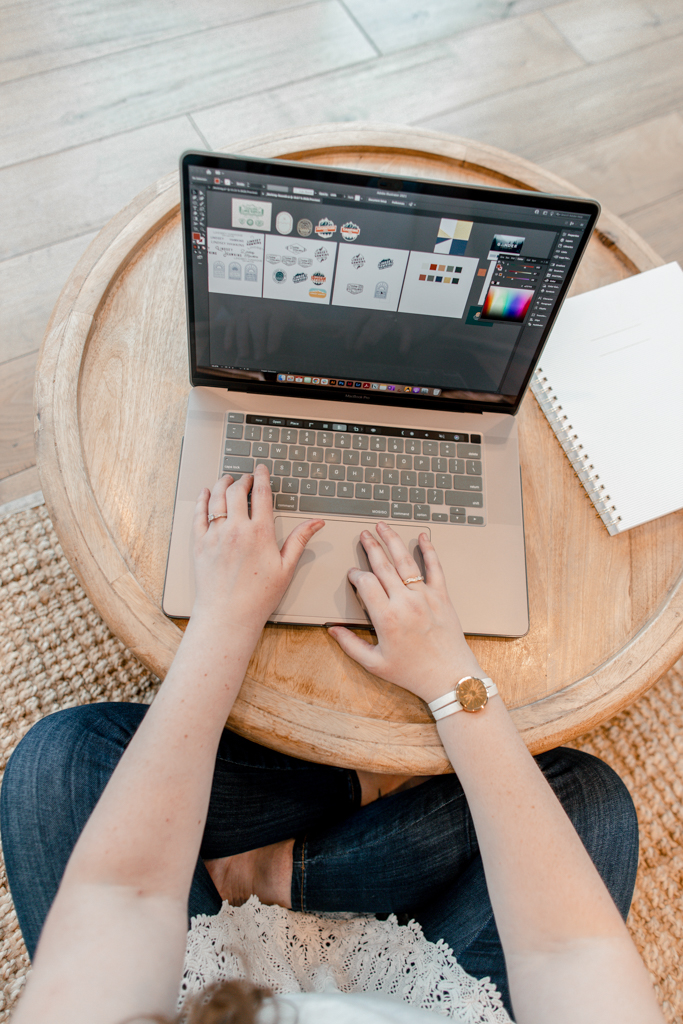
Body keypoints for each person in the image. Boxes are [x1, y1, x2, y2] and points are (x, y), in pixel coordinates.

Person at [0, 466, 664, 1024]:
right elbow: (568, 950)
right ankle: (331, 825)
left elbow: (123, 892)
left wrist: (227, 617)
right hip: (432, 998)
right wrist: (452, 685)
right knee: (585, 799)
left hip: (205, 988)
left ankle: (269, 863)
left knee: (63, 761)